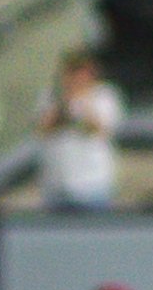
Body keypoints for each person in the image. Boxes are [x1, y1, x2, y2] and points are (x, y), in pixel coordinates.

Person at [36, 49, 120, 209]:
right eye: (72, 71)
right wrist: (64, 102)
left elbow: (99, 129)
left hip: (92, 184)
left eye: (81, 72)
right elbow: (42, 129)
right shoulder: (50, 96)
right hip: (57, 185)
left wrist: (84, 102)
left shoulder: (104, 96)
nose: (77, 77)